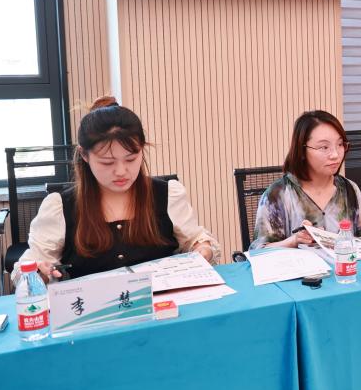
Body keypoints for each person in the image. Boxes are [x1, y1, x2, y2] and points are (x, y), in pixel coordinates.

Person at [11, 96, 219, 284]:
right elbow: (30, 267)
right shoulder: (61, 207)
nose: (121, 171)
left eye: (131, 159)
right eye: (107, 162)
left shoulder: (166, 194)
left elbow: (195, 240)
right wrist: (38, 272)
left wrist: (203, 250)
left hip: (163, 305)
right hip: (93, 311)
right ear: (84, 155)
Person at [252, 110, 361, 250]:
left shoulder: (349, 188)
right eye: (324, 147)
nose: (335, 154)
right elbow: (259, 251)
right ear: (302, 151)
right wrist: (293, 241)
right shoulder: (278, 194)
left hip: (345, 269)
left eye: (340, 144)